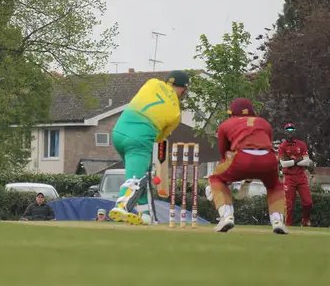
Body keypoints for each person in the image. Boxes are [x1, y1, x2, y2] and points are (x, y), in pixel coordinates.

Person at [109, 70, 189, 225]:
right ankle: (121, 206)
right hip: (139, 141)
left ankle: (145, 215)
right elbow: (160, 137)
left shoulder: (151, 82)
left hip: (118, 133)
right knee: (136, 180)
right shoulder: (175, 112)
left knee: (142, 176)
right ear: (184, 88)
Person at [208, 98, 288, 234]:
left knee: (216, 178)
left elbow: (225, 153)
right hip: (268, 158)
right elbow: (263, 145)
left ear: (231, 112)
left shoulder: (226, 124)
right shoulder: (264, 123)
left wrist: (226, 180)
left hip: (241, 156)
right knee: (275, 186)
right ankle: (277, 220)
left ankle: (226, 216)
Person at [278, 122, 314, 226]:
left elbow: (307, 161)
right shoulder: (282, 147)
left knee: (308, 202)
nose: (290, 132)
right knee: (289, 204)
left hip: (301, 177)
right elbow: (284, 164)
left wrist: (292, 162)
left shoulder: (301, 144)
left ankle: (305, 221)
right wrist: (298, 160)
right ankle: (288, 224)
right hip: (289, 178)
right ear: (285, 132)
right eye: (288, 130)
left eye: (292, 130)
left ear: (295, 131)